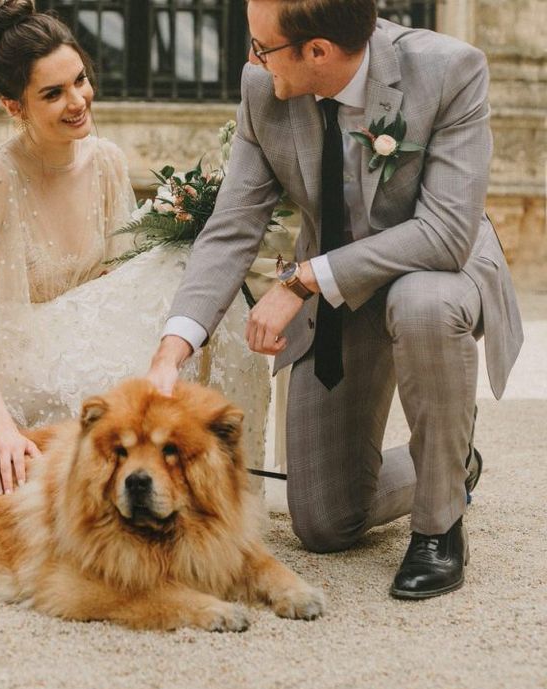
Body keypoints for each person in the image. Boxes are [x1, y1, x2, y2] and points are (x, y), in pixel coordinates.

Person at [147, 0, 523, 599]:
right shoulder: (264, 88)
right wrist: (173, 348)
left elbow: (445, 234)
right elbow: (233, 225)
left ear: (317, 51)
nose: (252, 58)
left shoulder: (450, 71)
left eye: (261, 46)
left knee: (421, 302)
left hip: (436, 272)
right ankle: (456, 460)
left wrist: (299, 282)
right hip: (338, 290)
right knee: (324, 521)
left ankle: (439, 527)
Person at [0, 0, 270, 499]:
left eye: (80, 80)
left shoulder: (106, 160)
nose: (77, 100)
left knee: (189, 280)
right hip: (21, 355)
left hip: (80, 331)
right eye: (53, 93)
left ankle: (210, 471)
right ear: (13, 106)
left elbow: (118, 281)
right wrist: (2, 428)